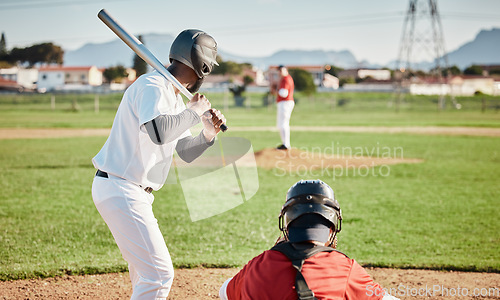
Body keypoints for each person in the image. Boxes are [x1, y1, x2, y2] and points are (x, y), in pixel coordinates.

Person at [91, 29, 225, 299]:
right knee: (159, 275)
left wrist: (207, 133)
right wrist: (194, 112)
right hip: (122, 189)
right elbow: (159, 131)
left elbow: (184, 151)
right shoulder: (152, 86)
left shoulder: (173, 97)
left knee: (145, 274)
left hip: (130, 192)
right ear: (203, 66)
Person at [219, 180, 399, 300]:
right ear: (332, 227)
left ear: (287, 225)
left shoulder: (257, 267)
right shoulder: (346, 269)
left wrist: (272, 257)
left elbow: (224, 292)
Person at [275, 65, 295, 150]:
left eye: (281, 70)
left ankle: (286, 144)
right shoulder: (285, 79)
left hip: (285, 102)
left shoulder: (286, 79)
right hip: (285, 102)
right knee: (281, 123)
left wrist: (276, 90)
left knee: (283, 123)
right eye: (279, 70)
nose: (280, 72)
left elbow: (284, 93)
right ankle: (285, 143)